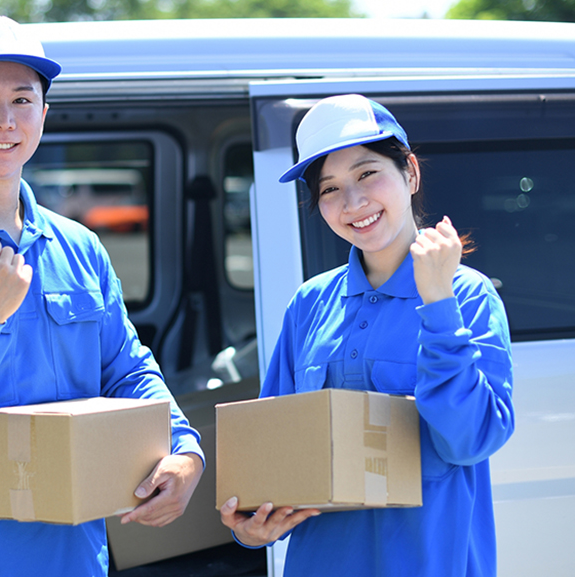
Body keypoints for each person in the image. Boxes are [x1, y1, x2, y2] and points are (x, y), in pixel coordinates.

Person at [0, 16, 203, 577]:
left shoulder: (81, 247)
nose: (4, 119)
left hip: (74, 559)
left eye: (23, 99)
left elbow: (129, 372)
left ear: (43, 117)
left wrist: (185, 449)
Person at [219, 94, 514, 576]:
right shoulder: (310, 305)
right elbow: (273, 454)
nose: (353, 203)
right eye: (329, 188)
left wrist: (437, 302)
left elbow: (469, 440)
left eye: (367, 174)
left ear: (410, 173)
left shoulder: (468, 296)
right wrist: (251, 526)